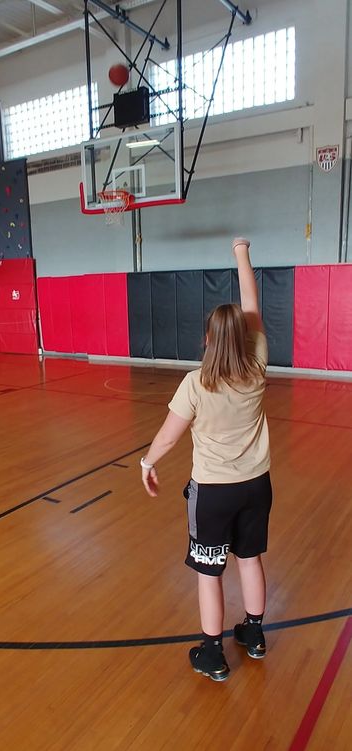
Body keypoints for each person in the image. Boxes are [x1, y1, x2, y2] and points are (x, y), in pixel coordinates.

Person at [140, 238, 272, 682]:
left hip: (213, 493)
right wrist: (241, 253)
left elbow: (166, 438)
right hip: (257, 486)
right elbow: (251, 305)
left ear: (208, 339)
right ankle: (253, 636)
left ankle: (212, 654)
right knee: (250, 559)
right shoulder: (257, 362)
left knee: (208, 571)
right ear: (245, 336)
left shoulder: (196, 384)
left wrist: (147, 464)